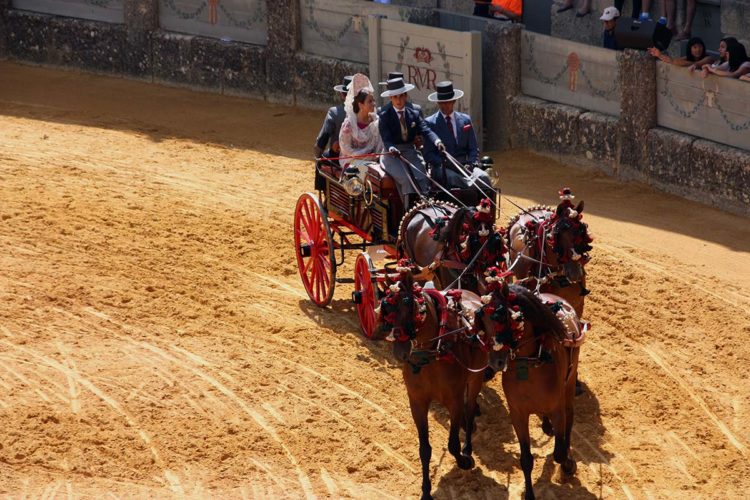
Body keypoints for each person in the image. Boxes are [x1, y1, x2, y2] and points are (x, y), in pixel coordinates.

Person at [378, 77, 444, 210]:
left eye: (401, 96)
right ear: (390, 98)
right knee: (406, 180)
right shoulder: (385, 115)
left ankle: (427, 207)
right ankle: (409, 212)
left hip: (410, 152)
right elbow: (386, 139)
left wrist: (437, 141)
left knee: (423, 177)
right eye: (395, 97)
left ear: (406, 96)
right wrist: (391, 147)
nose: (398, 100)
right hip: (391, 155)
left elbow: (426, 130)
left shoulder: (413, 114)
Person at [422, 81, 492, 198]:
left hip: (465, 166)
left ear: (454, 101)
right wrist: (444, 163)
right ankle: (471, 190)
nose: (445, 105)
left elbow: (473, 148)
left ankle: (487, 210)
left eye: (448, 102)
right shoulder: (430, 123)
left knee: (483, 177)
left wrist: (471, 163)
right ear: (438, 102)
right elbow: (428, 154)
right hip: (443, 168)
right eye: (442, 102)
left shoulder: (465, 120)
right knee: (453, 178)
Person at [338, 74, 384, 165]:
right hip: (351, 161)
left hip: (373, 161)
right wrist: (364, 156)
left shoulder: (376, 122)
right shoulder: (349, 124)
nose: (374, 104)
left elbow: (380, 146)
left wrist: (375, 156)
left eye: (373, 100)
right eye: (370, 101)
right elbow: (345, 149)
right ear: (360, 105)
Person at [313, 75, 352, 161]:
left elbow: (323, 138)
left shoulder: (334, 113)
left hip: (339, 156)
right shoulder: (369, 112)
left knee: (320, 163)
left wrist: (318, 155)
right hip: (366, 157)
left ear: (342, 95)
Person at [648, 37, 714, 69]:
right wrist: (659, 55)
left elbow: (696, 64)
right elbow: (674, 61)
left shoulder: (708, 58)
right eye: (695, 47)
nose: (698, 50)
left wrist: (674, 61)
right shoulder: (687, 57)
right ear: (689, 49)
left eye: (700, 47)